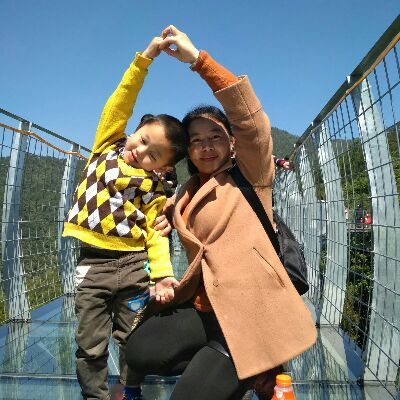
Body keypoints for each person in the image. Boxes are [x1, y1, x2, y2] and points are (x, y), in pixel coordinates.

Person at [125, 26, 317, 400]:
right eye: (196, 140)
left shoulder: (252, 175)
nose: (206, 146)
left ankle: (254, 363)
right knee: (140, 350)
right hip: (207, 310)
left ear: (232, 142)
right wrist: (165, 215)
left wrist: (198, 60)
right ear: (188, 152)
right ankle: (224, 366)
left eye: (215, 136)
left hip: (251, 315)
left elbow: (251, 120)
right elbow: (171, 212)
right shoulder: (184, 194)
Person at [62, 36, 187, 400]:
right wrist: (144, 60)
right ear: (134, 130)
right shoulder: (106, 146)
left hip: (134, 267)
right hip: (93, 265)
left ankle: (129, 389)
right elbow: (120, 101)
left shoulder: (154, 189)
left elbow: (156, 233)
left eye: (153, 154)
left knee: (133, 339)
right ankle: (95, 396)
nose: (140, 151)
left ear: (163, 166)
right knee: (90, 343)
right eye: (142, 139)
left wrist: (162, 275)